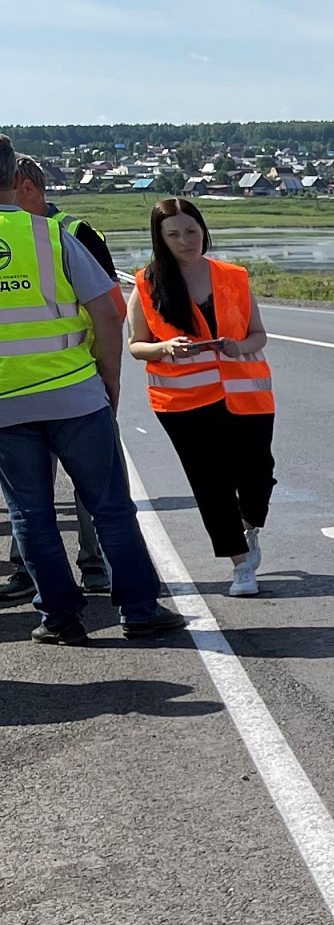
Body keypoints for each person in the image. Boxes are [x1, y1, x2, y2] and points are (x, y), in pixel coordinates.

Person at [0, 134, 187, 646]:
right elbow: (107, 310)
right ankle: (139, 610)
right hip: (74, 393)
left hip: (3, 407)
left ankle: (59, 618)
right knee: (109, 505)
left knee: (30, 514)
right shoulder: (50, 235)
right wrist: (108, 377)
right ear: (18, 181)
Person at [125, 197, 276, 598]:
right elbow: (135, 345)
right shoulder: (147, 283)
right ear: (159, 238)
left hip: (246, 394)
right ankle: (240, 564)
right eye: (172, 234)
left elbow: (259, 334)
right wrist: (164, 348)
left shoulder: (233, 276)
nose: (185, 240)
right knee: (211, 482)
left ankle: (250, 526)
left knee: (257, 474)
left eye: (191, 231)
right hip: (183, 402)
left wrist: (239, 347)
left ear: (203, 229)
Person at [0, 153, 115, 601]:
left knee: (89, 492)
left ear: (25, 187)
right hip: (22, 384)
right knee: (29, 501)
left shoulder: (75, 233)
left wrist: (105, 374)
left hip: (75, 380)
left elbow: (108, 308)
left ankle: (93, 566)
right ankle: (27, 572)